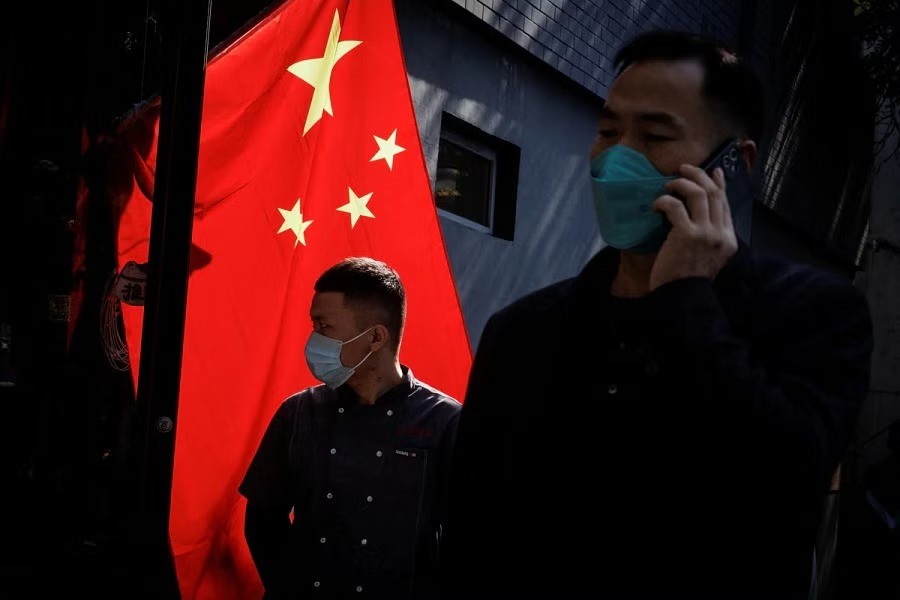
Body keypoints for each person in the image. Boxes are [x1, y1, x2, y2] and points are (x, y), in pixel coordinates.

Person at [441, 30, 873, 599]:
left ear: (733, 165)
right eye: (607, 131)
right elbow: (469, 534)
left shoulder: (813, 312)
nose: (618, 157)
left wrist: (686, 300)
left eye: (655, 135)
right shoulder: (523, 331)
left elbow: (786, 484)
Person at [240, 257, 461, 598]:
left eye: (324, 327)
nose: (314, 339)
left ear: (375, 337)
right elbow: (262, 521)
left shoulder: (445, 422)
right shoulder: (299, 412)